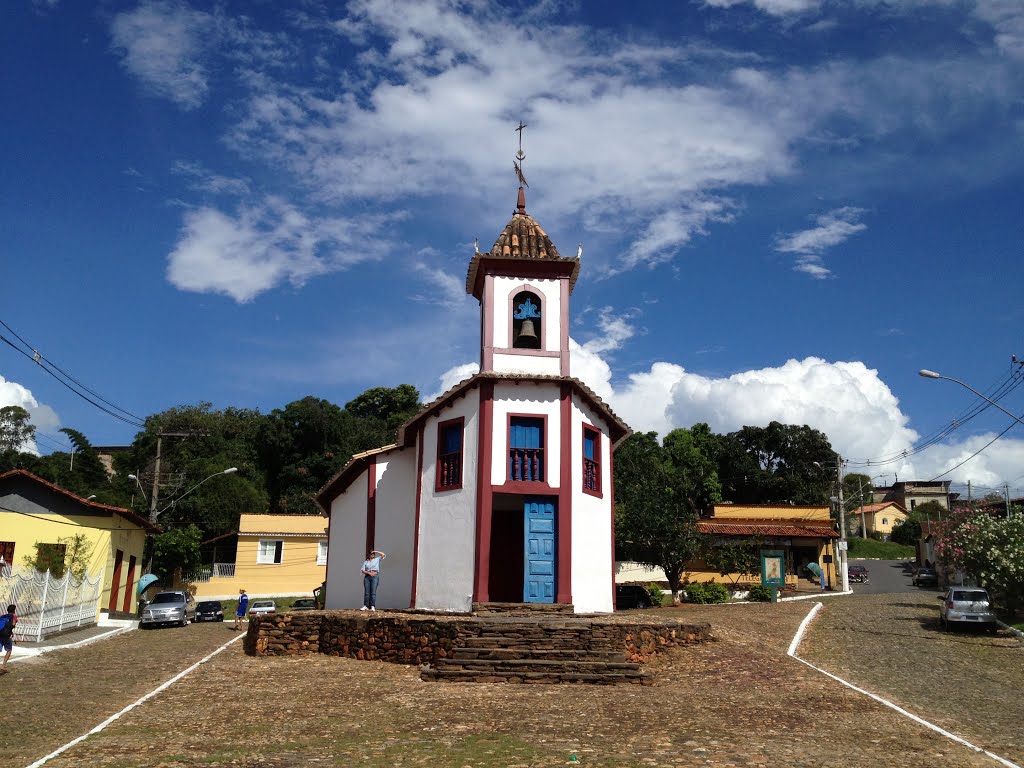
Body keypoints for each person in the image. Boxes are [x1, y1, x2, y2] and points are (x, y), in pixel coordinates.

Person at [0, 604, 17, 673]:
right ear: (14, 611)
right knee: (9, 650)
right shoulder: (14, 617)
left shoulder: (2, 616)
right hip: (7, 636)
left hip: (0, 635)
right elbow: (13, 625)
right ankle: (3, 666)